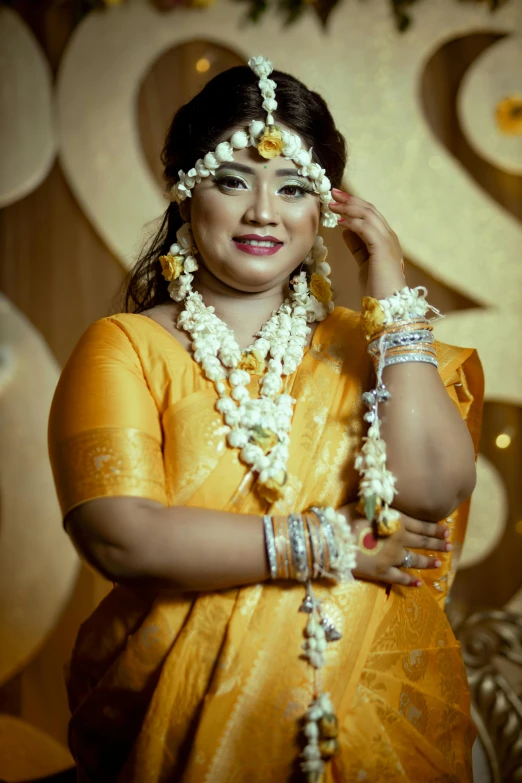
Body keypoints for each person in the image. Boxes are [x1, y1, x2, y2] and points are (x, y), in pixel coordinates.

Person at [48, 56, 483, 783]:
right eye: (232, 179)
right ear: (187, 195)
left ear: (324, 210)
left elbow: (432, 489)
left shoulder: (367, 344)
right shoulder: (125, 349)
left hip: (372, 726)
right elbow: (122, 536)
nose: (262, 212)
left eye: (292, 187)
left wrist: (391, 295)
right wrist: (329, 544)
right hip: (176, 723)